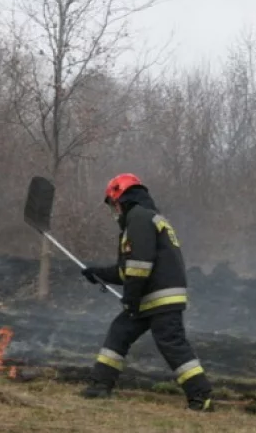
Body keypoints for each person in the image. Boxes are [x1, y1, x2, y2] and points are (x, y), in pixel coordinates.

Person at [79, 173, 214, 411]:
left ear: (121, 198)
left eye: (114, 204)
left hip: (158, 296)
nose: (115, 210)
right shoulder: (144, 219)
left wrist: (131, 299)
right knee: (120, 331)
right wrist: (98, 273)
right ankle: (100, 385)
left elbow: (140, 266)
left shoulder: (139, 218)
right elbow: (128, 270)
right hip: (151, 296)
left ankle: (201, 396)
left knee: (171, 343)